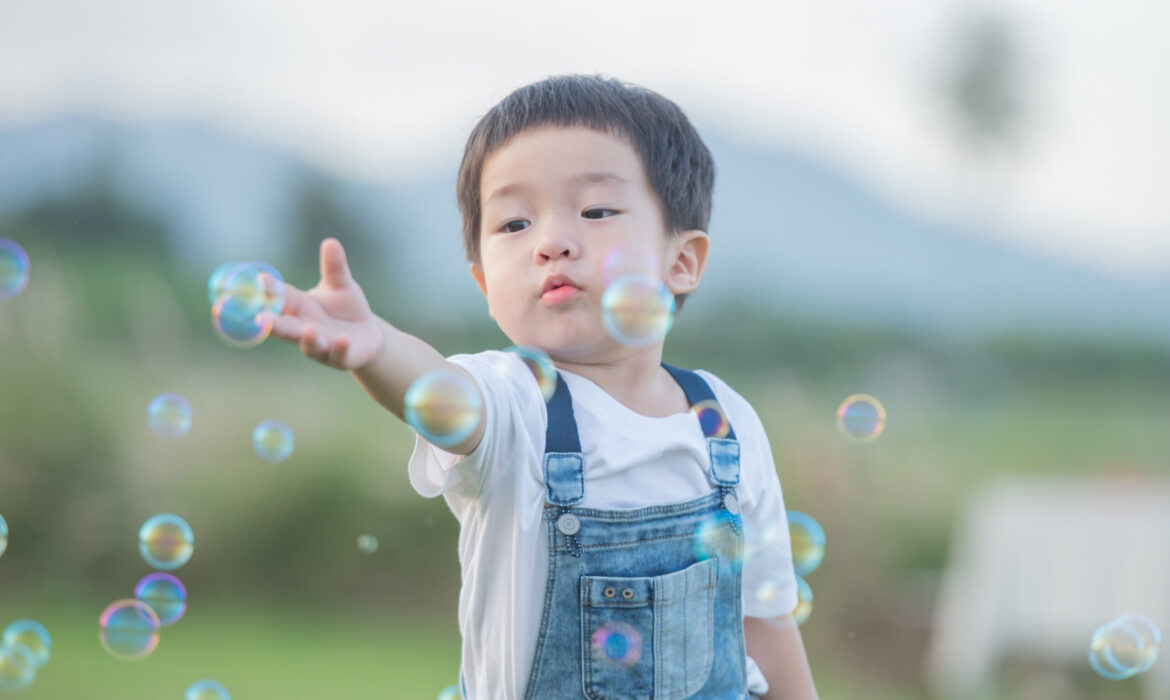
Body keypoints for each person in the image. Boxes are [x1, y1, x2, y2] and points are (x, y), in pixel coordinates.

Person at [264, 73, 818, 699]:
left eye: (597, 211)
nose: (552, 242)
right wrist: (376, 346)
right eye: (515, 223)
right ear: (483, 282)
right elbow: (442, 395)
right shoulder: (514, 402)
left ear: (682, 261)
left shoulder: (728, 424)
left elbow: (764, 619)